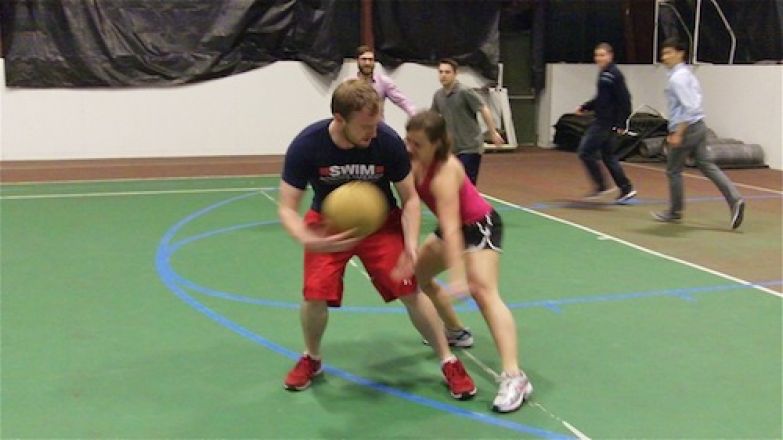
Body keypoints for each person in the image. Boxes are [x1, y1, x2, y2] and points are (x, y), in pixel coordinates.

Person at [278, 79, 477, 399]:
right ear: (339, 120)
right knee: (314, 294)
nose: (373, 132)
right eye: (365, 126)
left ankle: (448, 359)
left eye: (377, 122)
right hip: (328, 225)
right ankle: (311, 358)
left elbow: (409, 199)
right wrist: (307, 238)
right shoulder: (308, 144)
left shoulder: (386, 141)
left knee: (409, 288)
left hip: (382, 223)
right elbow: (288, 207)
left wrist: (410, 243)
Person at [405, 110, 533, 413]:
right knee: (416, 280)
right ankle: (456, 332)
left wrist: (459, 275)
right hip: (453, 229)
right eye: (407, 140)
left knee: (483, 291)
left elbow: (451, 227)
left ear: (437, 144)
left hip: (479, 225)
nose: (410, 147)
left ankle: (515, 377)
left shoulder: (447, 169)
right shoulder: (410, 162)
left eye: (418, 143)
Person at [652, 38, 745, 229]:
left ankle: (675, 212)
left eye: (669, 53)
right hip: (699, 126)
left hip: (688, 128)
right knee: (706, 164)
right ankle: (735, 199)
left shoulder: (677, 79)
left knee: (673, 170)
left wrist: (678, 133)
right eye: (663, 53)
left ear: (680, 53)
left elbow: (689, 108)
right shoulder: (685, 74)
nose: (664, 57)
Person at [574, 42, 637, 203]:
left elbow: (625, 99)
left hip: (605, 123)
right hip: (602, 119)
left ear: (610, 56)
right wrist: (585, 106)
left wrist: (622, 123)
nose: (599, 58)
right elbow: (601, 98)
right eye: (597, 55)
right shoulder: (603, 74)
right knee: (609, 156)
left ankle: (602, 186)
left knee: (585, 152)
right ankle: (626, 189)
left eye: (602, 55)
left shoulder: (615, 74)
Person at [431, 58, 504, 185]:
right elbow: (432, 117)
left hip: (470, 147)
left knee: (466, 185)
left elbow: (483, 109)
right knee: (452, 184)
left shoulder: (465, 92)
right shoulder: (438, 95)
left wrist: (493, 132)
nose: (443, 75)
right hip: (451, 148)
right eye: (441, 72)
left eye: (447, 72)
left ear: (455, 73)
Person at [355, 45, 417, 119]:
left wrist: (414, 115)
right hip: (356, 126)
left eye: (370, 59)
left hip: (378, 125)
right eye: (364, 59)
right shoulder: (349, 83)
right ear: (357, 61)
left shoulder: (383, 82)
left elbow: (402, 100)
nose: (367, 63)